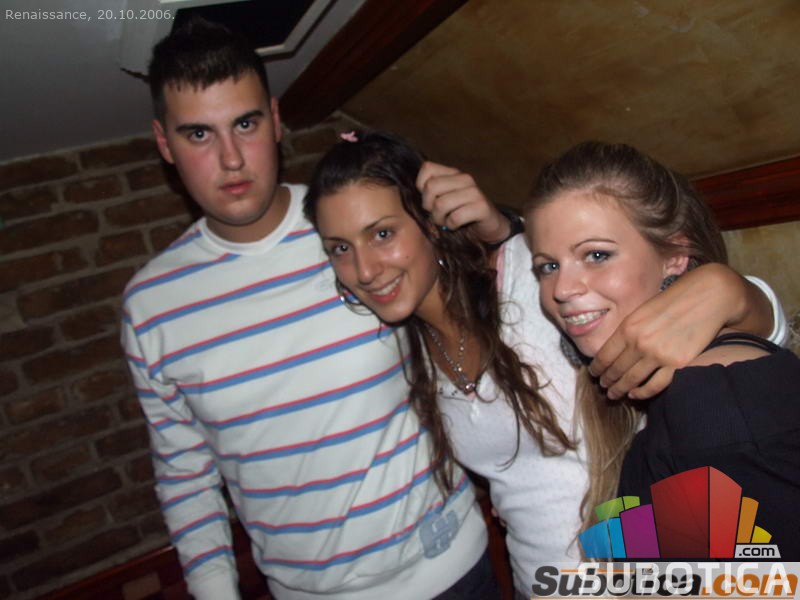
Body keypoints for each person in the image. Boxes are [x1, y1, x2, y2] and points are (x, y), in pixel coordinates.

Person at [122, 18, 519, 600]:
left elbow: (489, 293)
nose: (231, 159)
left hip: (454, 567)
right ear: (165, 144)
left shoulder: (354, 224)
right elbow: (185, 474)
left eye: (246, 124)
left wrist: (502, 227)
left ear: (275, 120)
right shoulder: (151, 308)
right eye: (199, 134)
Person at [303, 130, 787, 595]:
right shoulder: (405, 350)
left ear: (432, 221)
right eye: (340, 248)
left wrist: (731, 290)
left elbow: (730, 341)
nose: (365, 269)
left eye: (382, 233)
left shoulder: (528, 279)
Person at [527, 140, 800, 559]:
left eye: (596, 255)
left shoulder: (715, 402)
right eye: (548, 266)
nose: (562, 289)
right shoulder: (656, 387)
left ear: (675, 256)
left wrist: (738, 293)